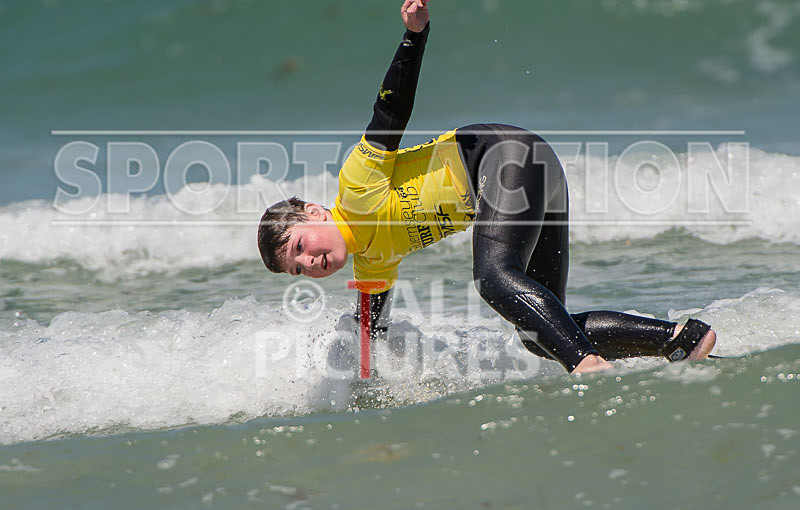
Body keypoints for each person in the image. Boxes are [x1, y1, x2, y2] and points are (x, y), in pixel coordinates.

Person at [257, 0, 716, 374]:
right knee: (541, 332)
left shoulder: (355, 185)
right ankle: (680, 339)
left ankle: (587, 365)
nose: (309, 263)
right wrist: (355, 386)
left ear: (314, 212)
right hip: (539, 175)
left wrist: (414, 37)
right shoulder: (372, 262)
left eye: (300, 246)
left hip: (503, 156)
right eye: (299, 270)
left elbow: (390, 114)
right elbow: (370, 332)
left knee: (493, 278)